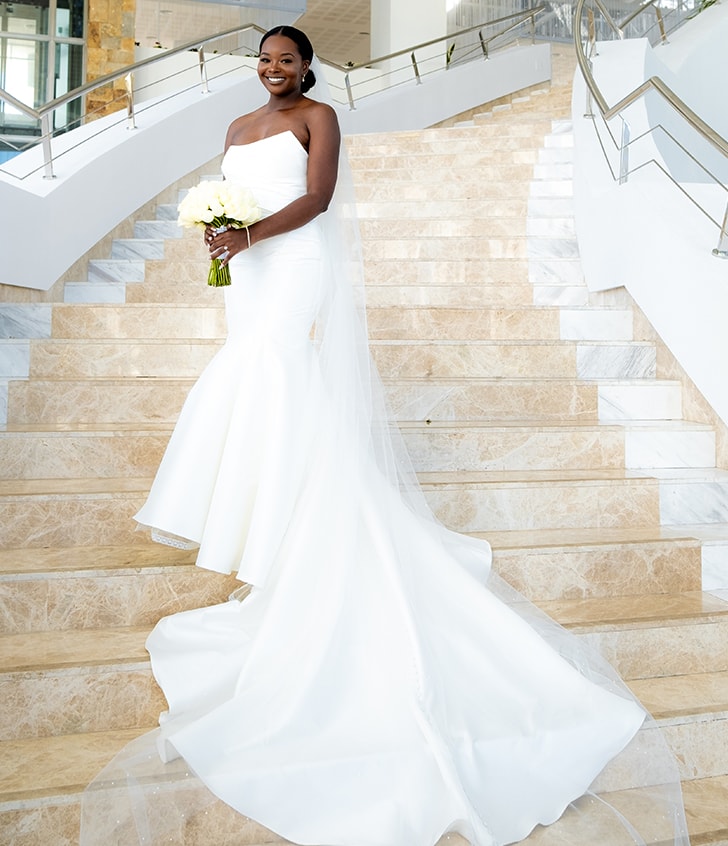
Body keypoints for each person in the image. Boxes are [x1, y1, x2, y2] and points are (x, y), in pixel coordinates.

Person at [81, 26, 688, 846]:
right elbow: (231, 196)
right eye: (263, 59)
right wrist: (218, 235)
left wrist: (251, 235)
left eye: (285, 60)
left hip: (292, 266)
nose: (272, 70)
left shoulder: (318, 118)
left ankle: (309, 538)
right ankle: (277, 536)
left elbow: (319, 199)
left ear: (308, 68)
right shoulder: (233, 129)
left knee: (281, 381)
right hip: (247, 276)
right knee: (255, 386)